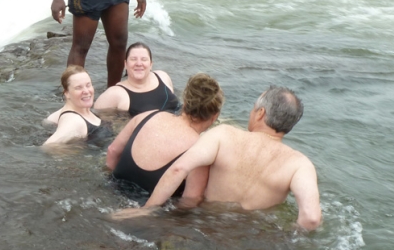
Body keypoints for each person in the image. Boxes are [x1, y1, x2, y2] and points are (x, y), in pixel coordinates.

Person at [119, 87, 322, 231]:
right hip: (253, 238)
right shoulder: (300, 164)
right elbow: (311, 219)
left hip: (207, 229)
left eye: (253, 108)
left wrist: (147, 210)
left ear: (261, 113)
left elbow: (178, 169)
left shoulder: (223, 135)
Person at [106, 73, 223, 195]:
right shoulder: (199, 150)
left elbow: (112, 151)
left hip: (112, 189)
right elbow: (190, 199)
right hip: (145, 209)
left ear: (185, 102)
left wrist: (110, 183)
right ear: (215, 116)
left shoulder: (146, 116)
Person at [94, 42, 179, 116]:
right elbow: (96, 119)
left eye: (144, 59)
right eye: (133, 59)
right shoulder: (115, 93)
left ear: (151, 64)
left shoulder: (162, 77)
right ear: (125, 64)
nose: (139, 63)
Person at [44, 65, 110, 146]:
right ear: (67, 93)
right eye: (78, 87)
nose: (86, 91)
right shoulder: (75, 121)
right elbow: (48, 145)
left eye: (88, 85)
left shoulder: (54, 117)